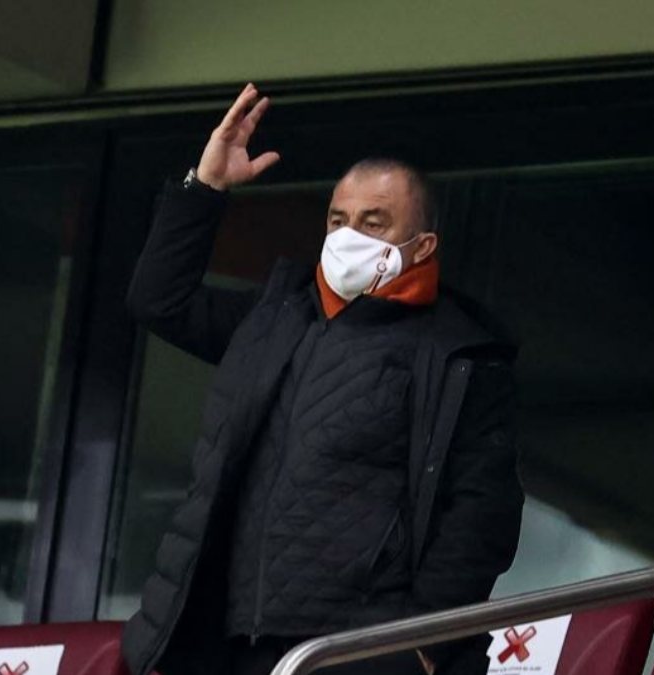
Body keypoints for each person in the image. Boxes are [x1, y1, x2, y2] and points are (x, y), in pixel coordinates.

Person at [122, 83, 523, 675]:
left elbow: (481, 511)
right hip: (232, 644)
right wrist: (204, 187)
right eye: (338, 219)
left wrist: (422, 648)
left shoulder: (458, 353)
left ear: (422, 246)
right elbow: (158, 300)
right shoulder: (277, 318)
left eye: (373, 222)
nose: (348, 235)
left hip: (362, 652)